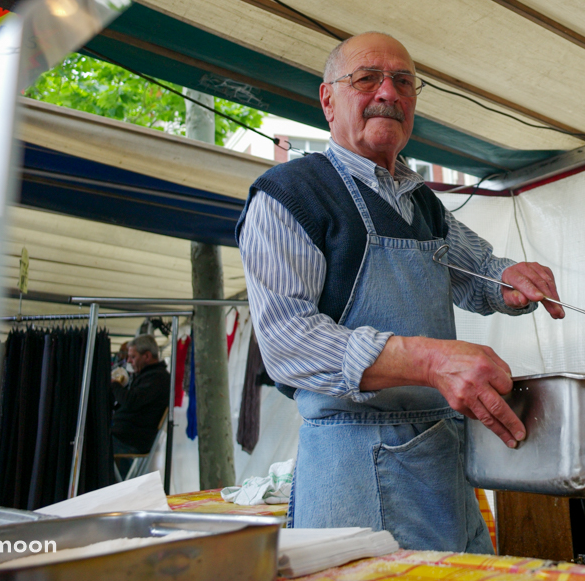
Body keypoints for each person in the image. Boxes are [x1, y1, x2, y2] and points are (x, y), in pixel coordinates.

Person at [237, 32, 565, 553]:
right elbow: (287, 343)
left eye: (404, 81)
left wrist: (511, 280)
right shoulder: (290, 194)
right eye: (366, 78)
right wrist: (429, 360)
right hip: (350, 465)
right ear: (328, 100)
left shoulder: (423, 203)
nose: (388, 92)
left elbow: (479, 271)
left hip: (442, 458)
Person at [110, 335, 169, 458]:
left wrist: (115, 385)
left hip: (131, 440)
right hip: (126, 436)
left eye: (133, 357)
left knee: (83, 444)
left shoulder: (157, 378)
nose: (128, 361)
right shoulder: (149, 376)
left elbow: (131, 401)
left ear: (147, 356)